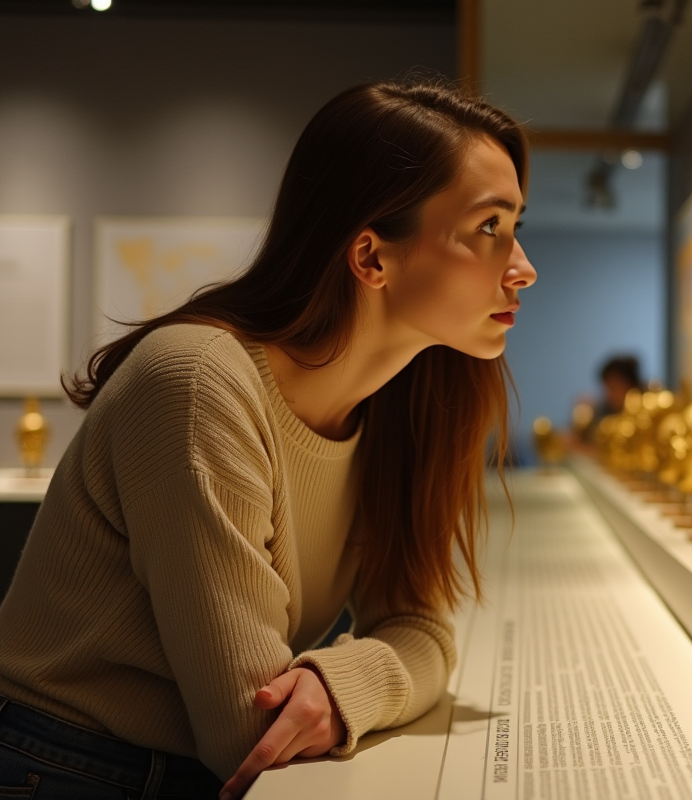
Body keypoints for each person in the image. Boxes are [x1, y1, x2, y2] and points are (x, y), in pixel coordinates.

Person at [0, 80, 536, 799]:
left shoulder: (400, 404)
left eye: (515, 226)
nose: (522, 267)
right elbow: (248, 727)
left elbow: (423, 628)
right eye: (489, 228)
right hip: (68, 765)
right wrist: (354, 682)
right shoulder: (198, 382)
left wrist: (337, 683)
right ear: (372, 258)